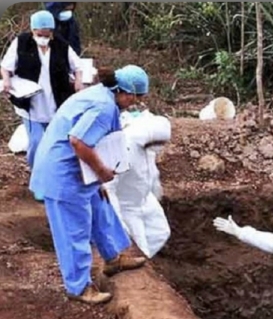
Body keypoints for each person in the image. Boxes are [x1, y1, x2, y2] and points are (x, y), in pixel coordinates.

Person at [29, 65, 150, 305]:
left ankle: (113, 258)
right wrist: (101, 171)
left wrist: (96, 178)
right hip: (62, 171)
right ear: (125, 92)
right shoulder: (104, 107)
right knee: (74, 229)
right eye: (136, 97)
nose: (136, 103)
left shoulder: (102, 96)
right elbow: (79, 142)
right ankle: (79, 287)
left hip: (77, 167)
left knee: (101, 207)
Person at [1, 10, 83, 173]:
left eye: (47, 35)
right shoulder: (21, 43)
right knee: (37, 141)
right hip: (31, 104)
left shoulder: (61, 45)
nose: (43, 38)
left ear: (52, 32)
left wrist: (78, 81)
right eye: (39, 34)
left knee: (56, 142)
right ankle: (36, 174)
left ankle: (53, 173)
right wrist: (7, 80)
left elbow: (78, 66)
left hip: (56, 101)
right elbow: (5, 66)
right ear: (32, 31)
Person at [104, 110, 172, 259]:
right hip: (127, 206)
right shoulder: (125, 148)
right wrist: (118, 222)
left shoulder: (147, 146)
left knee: (161, 232)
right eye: (160, 143)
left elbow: (150, 172)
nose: (162, 146)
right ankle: (141, 269)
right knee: (140, 249)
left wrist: (155, 190)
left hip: (145, 199)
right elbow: (109, 187)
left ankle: (148, 266)